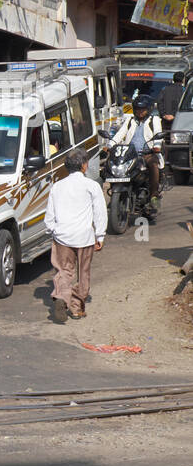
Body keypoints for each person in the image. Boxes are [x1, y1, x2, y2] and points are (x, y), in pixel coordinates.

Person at [45, 148, 106, 321]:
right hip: (84, 237)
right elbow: (100, 212)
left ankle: (61, 296)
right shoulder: (91, 186)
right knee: (83, 272)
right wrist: (100, 235)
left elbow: (50, 216)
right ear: (84, 166)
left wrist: (53, 231)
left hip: (62, 236)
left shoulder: (57, 187)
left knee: (64, 271)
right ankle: (77, 308)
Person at [113, 95, 163, 211]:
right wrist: (110, 145)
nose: (140, 112)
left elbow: (158, 134)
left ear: (149, 109)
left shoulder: (154, 120)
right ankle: (118, 195)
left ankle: (154, 195)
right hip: (129, 154)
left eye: (143, 109)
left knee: (153, 165)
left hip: (148, 153)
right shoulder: (130, 120)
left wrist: (156, 146)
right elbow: (120, 133)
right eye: (137, 109)